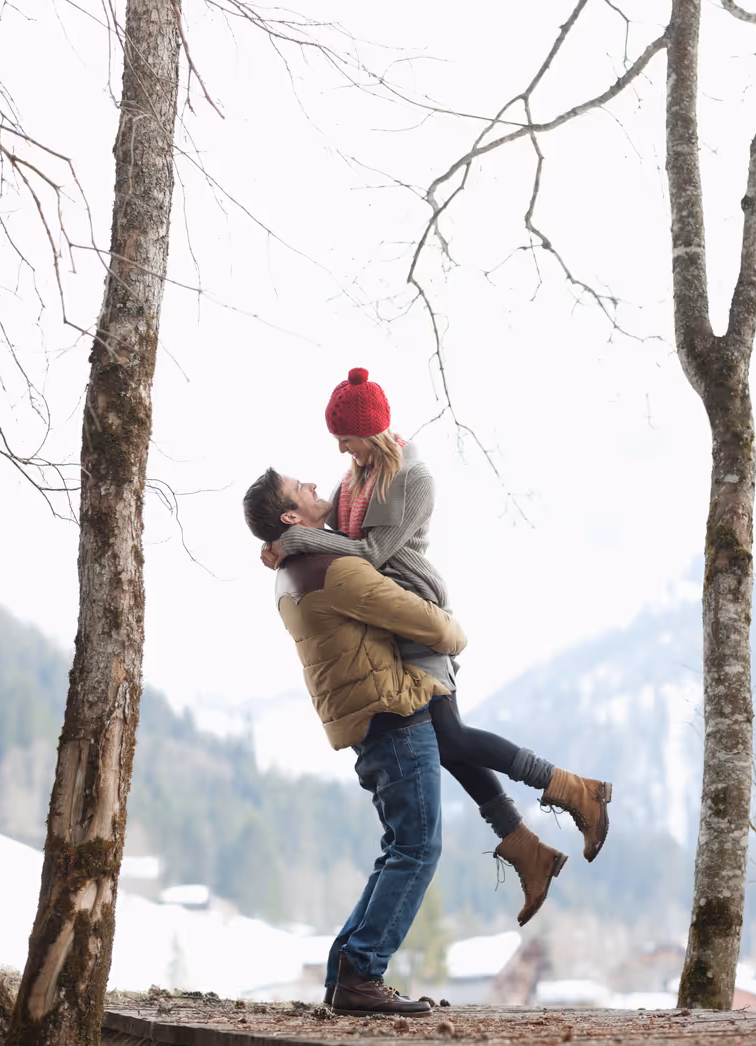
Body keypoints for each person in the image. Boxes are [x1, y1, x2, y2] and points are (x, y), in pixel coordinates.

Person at [260, 368, 612, 925]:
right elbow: (337, 545)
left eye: (345, 438)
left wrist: (295, 538)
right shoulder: (350, 483)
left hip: (415, 608)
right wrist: (293, 543)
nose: (340, 449)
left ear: (369, 432)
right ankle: (529, 848)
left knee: (452, 737)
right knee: (448, 742)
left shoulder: (413, 479)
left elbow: (369, 554)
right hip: (387, 618)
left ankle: (572, 791)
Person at [243, 468, 466, 1016]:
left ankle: (345, 971)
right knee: (418, 848)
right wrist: (457, 631)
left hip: (367, 724)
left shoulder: (292, 572)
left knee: (400, 846)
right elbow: (436, 628)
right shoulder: (335, 570)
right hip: (395, 714)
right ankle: (362, 974)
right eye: (301, 488)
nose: (313, 485)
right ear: (291, 517)